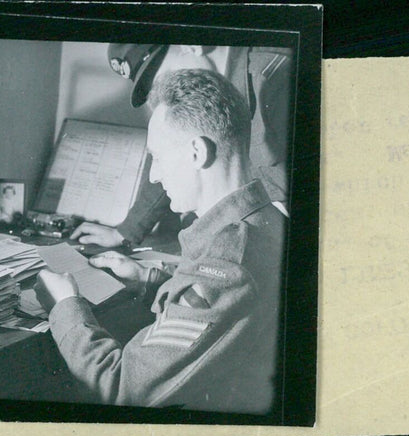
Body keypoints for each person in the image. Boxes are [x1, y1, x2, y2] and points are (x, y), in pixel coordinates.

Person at [35, 69, 286, 414]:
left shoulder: (229, 262)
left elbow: (123, 388)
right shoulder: (266, 221)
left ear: (197, 152)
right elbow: (220, 310)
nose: (154, 174)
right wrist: (148, 279)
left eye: (158, 156)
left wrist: (65, 306)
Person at [70, 43, 292, 248]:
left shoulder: (276, 77)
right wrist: (126, 231)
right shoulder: (204, 98)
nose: (169, 90)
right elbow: (171, 155)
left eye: (167, 77)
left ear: (192, 45)